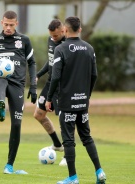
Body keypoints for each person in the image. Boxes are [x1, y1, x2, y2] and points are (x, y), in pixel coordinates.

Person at [45, 16, 106, 184]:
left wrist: (49, 98)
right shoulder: (89, 48)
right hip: (82, 102)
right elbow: (94, 75)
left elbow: (55, 76)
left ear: (65, 30)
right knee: (87, 137)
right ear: (79, 29)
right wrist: (87, 94)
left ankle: (72, 178)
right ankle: (99, 171)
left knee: (69, 139)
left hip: (67, 102)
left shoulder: (61, 49)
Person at [0, 10, 37, 174]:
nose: (8, 27)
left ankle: (9, 166)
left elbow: (32, 63)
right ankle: (0, 105)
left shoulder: (24, 40)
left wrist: (33, 86)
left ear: (16, 24)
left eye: (11, 25)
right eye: (5, 24)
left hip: (18, 85)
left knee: (16, 124)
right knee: (1, 78)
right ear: (2, 23)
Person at [34, 19, 67, 166]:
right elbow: (51, 60)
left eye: (55, 36)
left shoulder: (68, 45)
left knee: (64, 121)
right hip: (50, 84)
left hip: (63, 87)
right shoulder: (51, 40)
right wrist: (39, 74)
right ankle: (57, 144)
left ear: (63, 30)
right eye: (51, 36)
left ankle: (68, 154)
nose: (53, 38)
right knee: (39, 115)